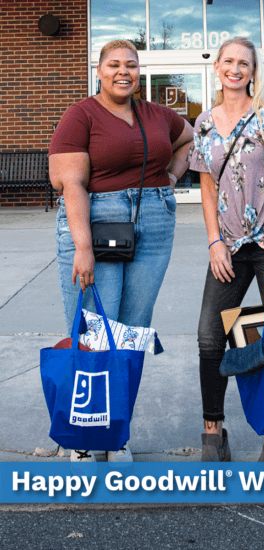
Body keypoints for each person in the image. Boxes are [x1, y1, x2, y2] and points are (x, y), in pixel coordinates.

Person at [49, 39, 193, 463]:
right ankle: (82, 435)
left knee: (131, 334)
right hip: (96, 223)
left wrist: (171, 176)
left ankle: (116, 432)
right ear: (99, 70)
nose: (122, 71)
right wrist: (82, 247)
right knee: (96, 331)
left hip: (153, 222)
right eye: (113, 64)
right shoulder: (81, 115)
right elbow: (71, 183)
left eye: (130, 64)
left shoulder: (157, 114)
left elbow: (189, 138)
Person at [188, 36, 264, 462]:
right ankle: (213, 434)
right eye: (229, 61)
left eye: (244, 63)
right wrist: (214, 242)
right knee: (209, 337)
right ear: (217, 67)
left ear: (253, 71)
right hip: (229, 247)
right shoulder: (203, 123)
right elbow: (206, 192)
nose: (235, 69)